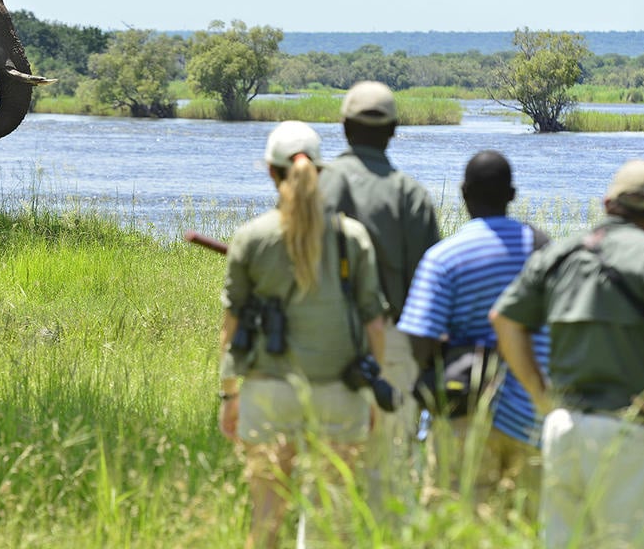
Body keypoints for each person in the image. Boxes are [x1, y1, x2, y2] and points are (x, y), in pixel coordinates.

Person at [490, 159, 644, 548]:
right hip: (631, 432)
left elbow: (504, 319)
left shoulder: (561, 255)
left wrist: (542, 398)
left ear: (607, 205)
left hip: (562, 429)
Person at [219, 120, 388, 549]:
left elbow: (231, 326)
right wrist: (370, 391)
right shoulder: (352, 237)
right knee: (330, 527)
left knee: (265, 523)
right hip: (339, 393)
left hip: (268, 392)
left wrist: (229, 395)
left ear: (271, 172)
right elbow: (374, 324)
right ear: (320, 169)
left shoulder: (252, 237)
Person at [396, 150, 548, 514]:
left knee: (456, 525)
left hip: (462, 416)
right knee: (522, 529)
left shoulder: (444, 258)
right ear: (512, 195)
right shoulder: (544, 252)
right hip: (531, 416)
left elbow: (418, 342)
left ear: (463, 193)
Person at [319, 80, 441, 500]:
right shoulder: (413, 195)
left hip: (323, 344)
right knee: (391, 480)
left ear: (344, 126)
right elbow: (430, 294)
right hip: (395, 346)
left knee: (326, 481)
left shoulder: (317, 184)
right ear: (392, 131)